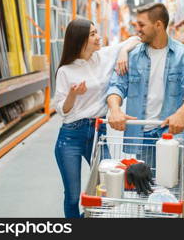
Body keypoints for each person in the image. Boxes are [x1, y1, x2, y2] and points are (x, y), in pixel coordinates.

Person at [106, 3, 184, 194]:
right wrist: (115, 109)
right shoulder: (132, 55)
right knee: (146, 188)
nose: (137, 30)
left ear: (158, 25)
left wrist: (181, 113)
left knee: (171, 190)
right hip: (143, 132)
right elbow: (117, 86)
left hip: (171, 132)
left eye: (141, 25)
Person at [54, 18, 140, 218]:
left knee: (110, 186)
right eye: (92, 34)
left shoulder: (104, 56)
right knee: (74, 196)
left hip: (98, 133)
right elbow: (62, 110)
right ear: (80, 40)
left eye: (96, 32)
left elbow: (134, 38)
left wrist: (123, 52)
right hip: (71, 136)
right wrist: (73, 95)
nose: (98, 37)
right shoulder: (66, 71)